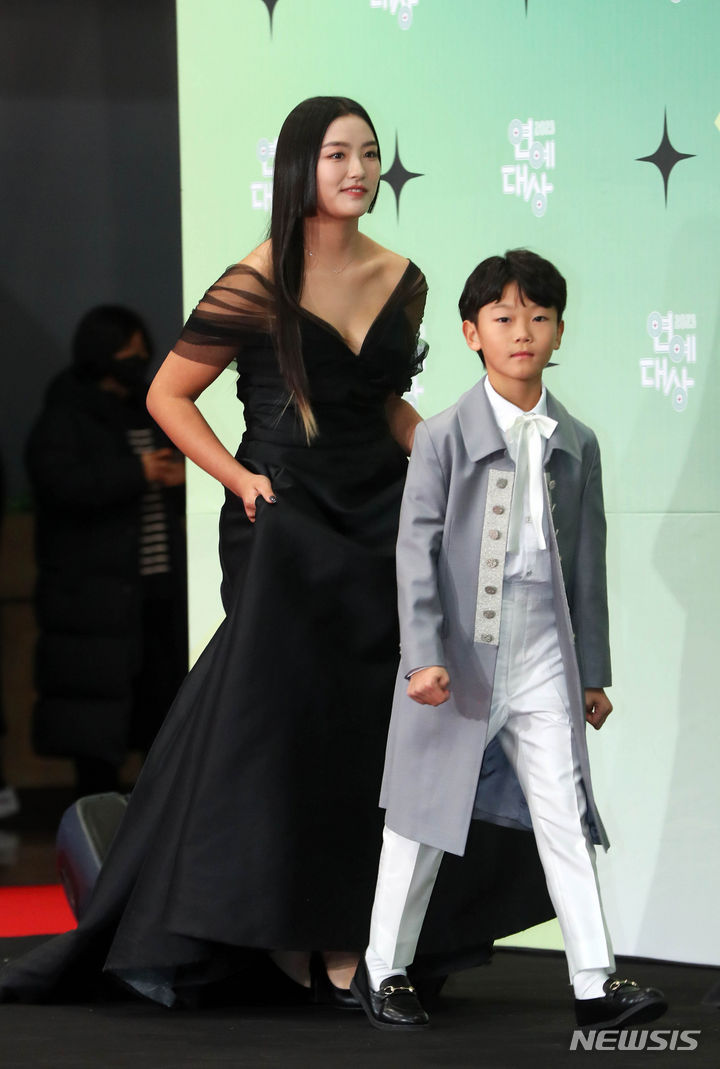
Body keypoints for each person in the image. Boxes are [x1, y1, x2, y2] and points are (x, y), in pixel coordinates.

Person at [0, 101, 553, 1011]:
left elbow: (383, 404)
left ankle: (367, 930)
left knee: (378, 725)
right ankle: (299, 931)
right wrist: (236, 476)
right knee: (287, 721)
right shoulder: (256, 280)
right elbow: (168, 393)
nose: (358, 169)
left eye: (369, 153)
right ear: (301, 167)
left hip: (382, 514)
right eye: (338, 154)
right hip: (284, 514)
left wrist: (446, 459)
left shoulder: (402, 277)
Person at [351, 250, 668, 1031]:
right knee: (421, 816)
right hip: (459, 651)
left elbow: (586, 567)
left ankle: (595, 979)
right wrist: (423, 655)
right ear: (472, 333)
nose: (522, 331)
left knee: (565, 808)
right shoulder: (441, 437)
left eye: (539, 316)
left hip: (543, 647)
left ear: (559, 330)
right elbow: (415, 553)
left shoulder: (578, 442)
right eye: (503, 317)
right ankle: (383, 968)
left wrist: (591, 671)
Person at [26, 306, 188, 797]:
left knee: (161, 717)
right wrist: (137, 473)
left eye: (141, 353)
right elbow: (59, 484)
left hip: (157, 593)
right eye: (126, 353)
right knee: (95, 727)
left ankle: (151, 825)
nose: (137, 362)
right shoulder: (65, 415)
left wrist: (179, 478)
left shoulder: (151, 406)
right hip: (92, 601)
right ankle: (95, 826)